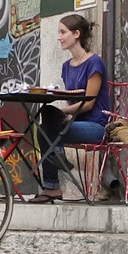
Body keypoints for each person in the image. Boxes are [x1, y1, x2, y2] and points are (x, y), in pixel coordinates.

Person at [38, 14, 109, 200]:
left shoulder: (94, 63)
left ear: (76, 34)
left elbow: (89, 103)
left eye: (63, 32)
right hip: (75, 123)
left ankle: (52, 183)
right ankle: (53, 180)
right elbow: (72, 99)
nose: (59, 37)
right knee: (44, 122)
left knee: (47, 128)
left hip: (96, 126)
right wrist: (63, 114)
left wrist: (62, 111)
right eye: (58, 32)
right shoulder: (66, 66)